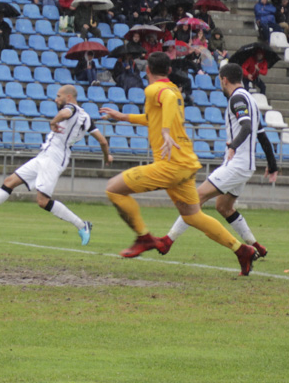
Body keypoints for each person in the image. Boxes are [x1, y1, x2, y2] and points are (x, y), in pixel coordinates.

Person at [99, 52, 257, 275]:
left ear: (147, 71)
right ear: (170, 71)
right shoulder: (175, 89)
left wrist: (165, 132)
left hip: (169, 165)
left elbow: (167, 103)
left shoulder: (156, 90)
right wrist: (123, 117)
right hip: (184, 163)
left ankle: (143, 237)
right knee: (193, 216)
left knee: (113, 189)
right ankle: (242, 250)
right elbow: (153, 116)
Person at [0, 85, 111, 245]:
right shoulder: (86, 118)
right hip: (46, 155)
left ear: (69, 97)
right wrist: (107, 157)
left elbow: (65, 113)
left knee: (43, 201)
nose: (56, 99)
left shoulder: (71, 108)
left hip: (54, 158)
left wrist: (53, 121)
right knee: (10, 182)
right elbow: (103, 141)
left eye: (58, 96)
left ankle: (82, 225)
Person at [157, 64, 277, 258]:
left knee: (194, 199)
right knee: (224, 207)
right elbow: (261, 135)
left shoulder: (236, 98)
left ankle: (168, 240)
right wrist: (273, 164)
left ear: (224, 79)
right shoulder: (251, 101)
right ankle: (255, 246)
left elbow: (246, 126)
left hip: (237, 164)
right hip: (245, 166)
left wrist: (233, 146)